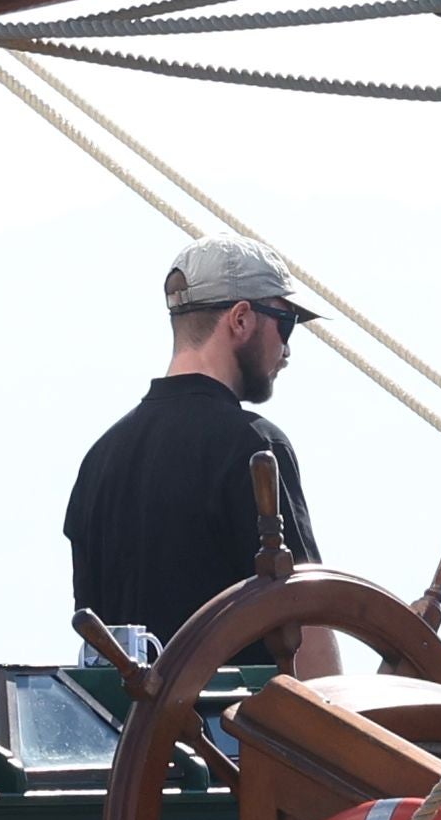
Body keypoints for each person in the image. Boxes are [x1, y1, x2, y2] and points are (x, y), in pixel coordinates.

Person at [64, 237, 342, 673]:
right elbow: (308, 635)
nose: (287, 350)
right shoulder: (255, 448)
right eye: (286, 324)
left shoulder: (98, 461)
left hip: (131, 718)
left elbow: (96, 645)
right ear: (241, 319)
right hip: (238, 719)